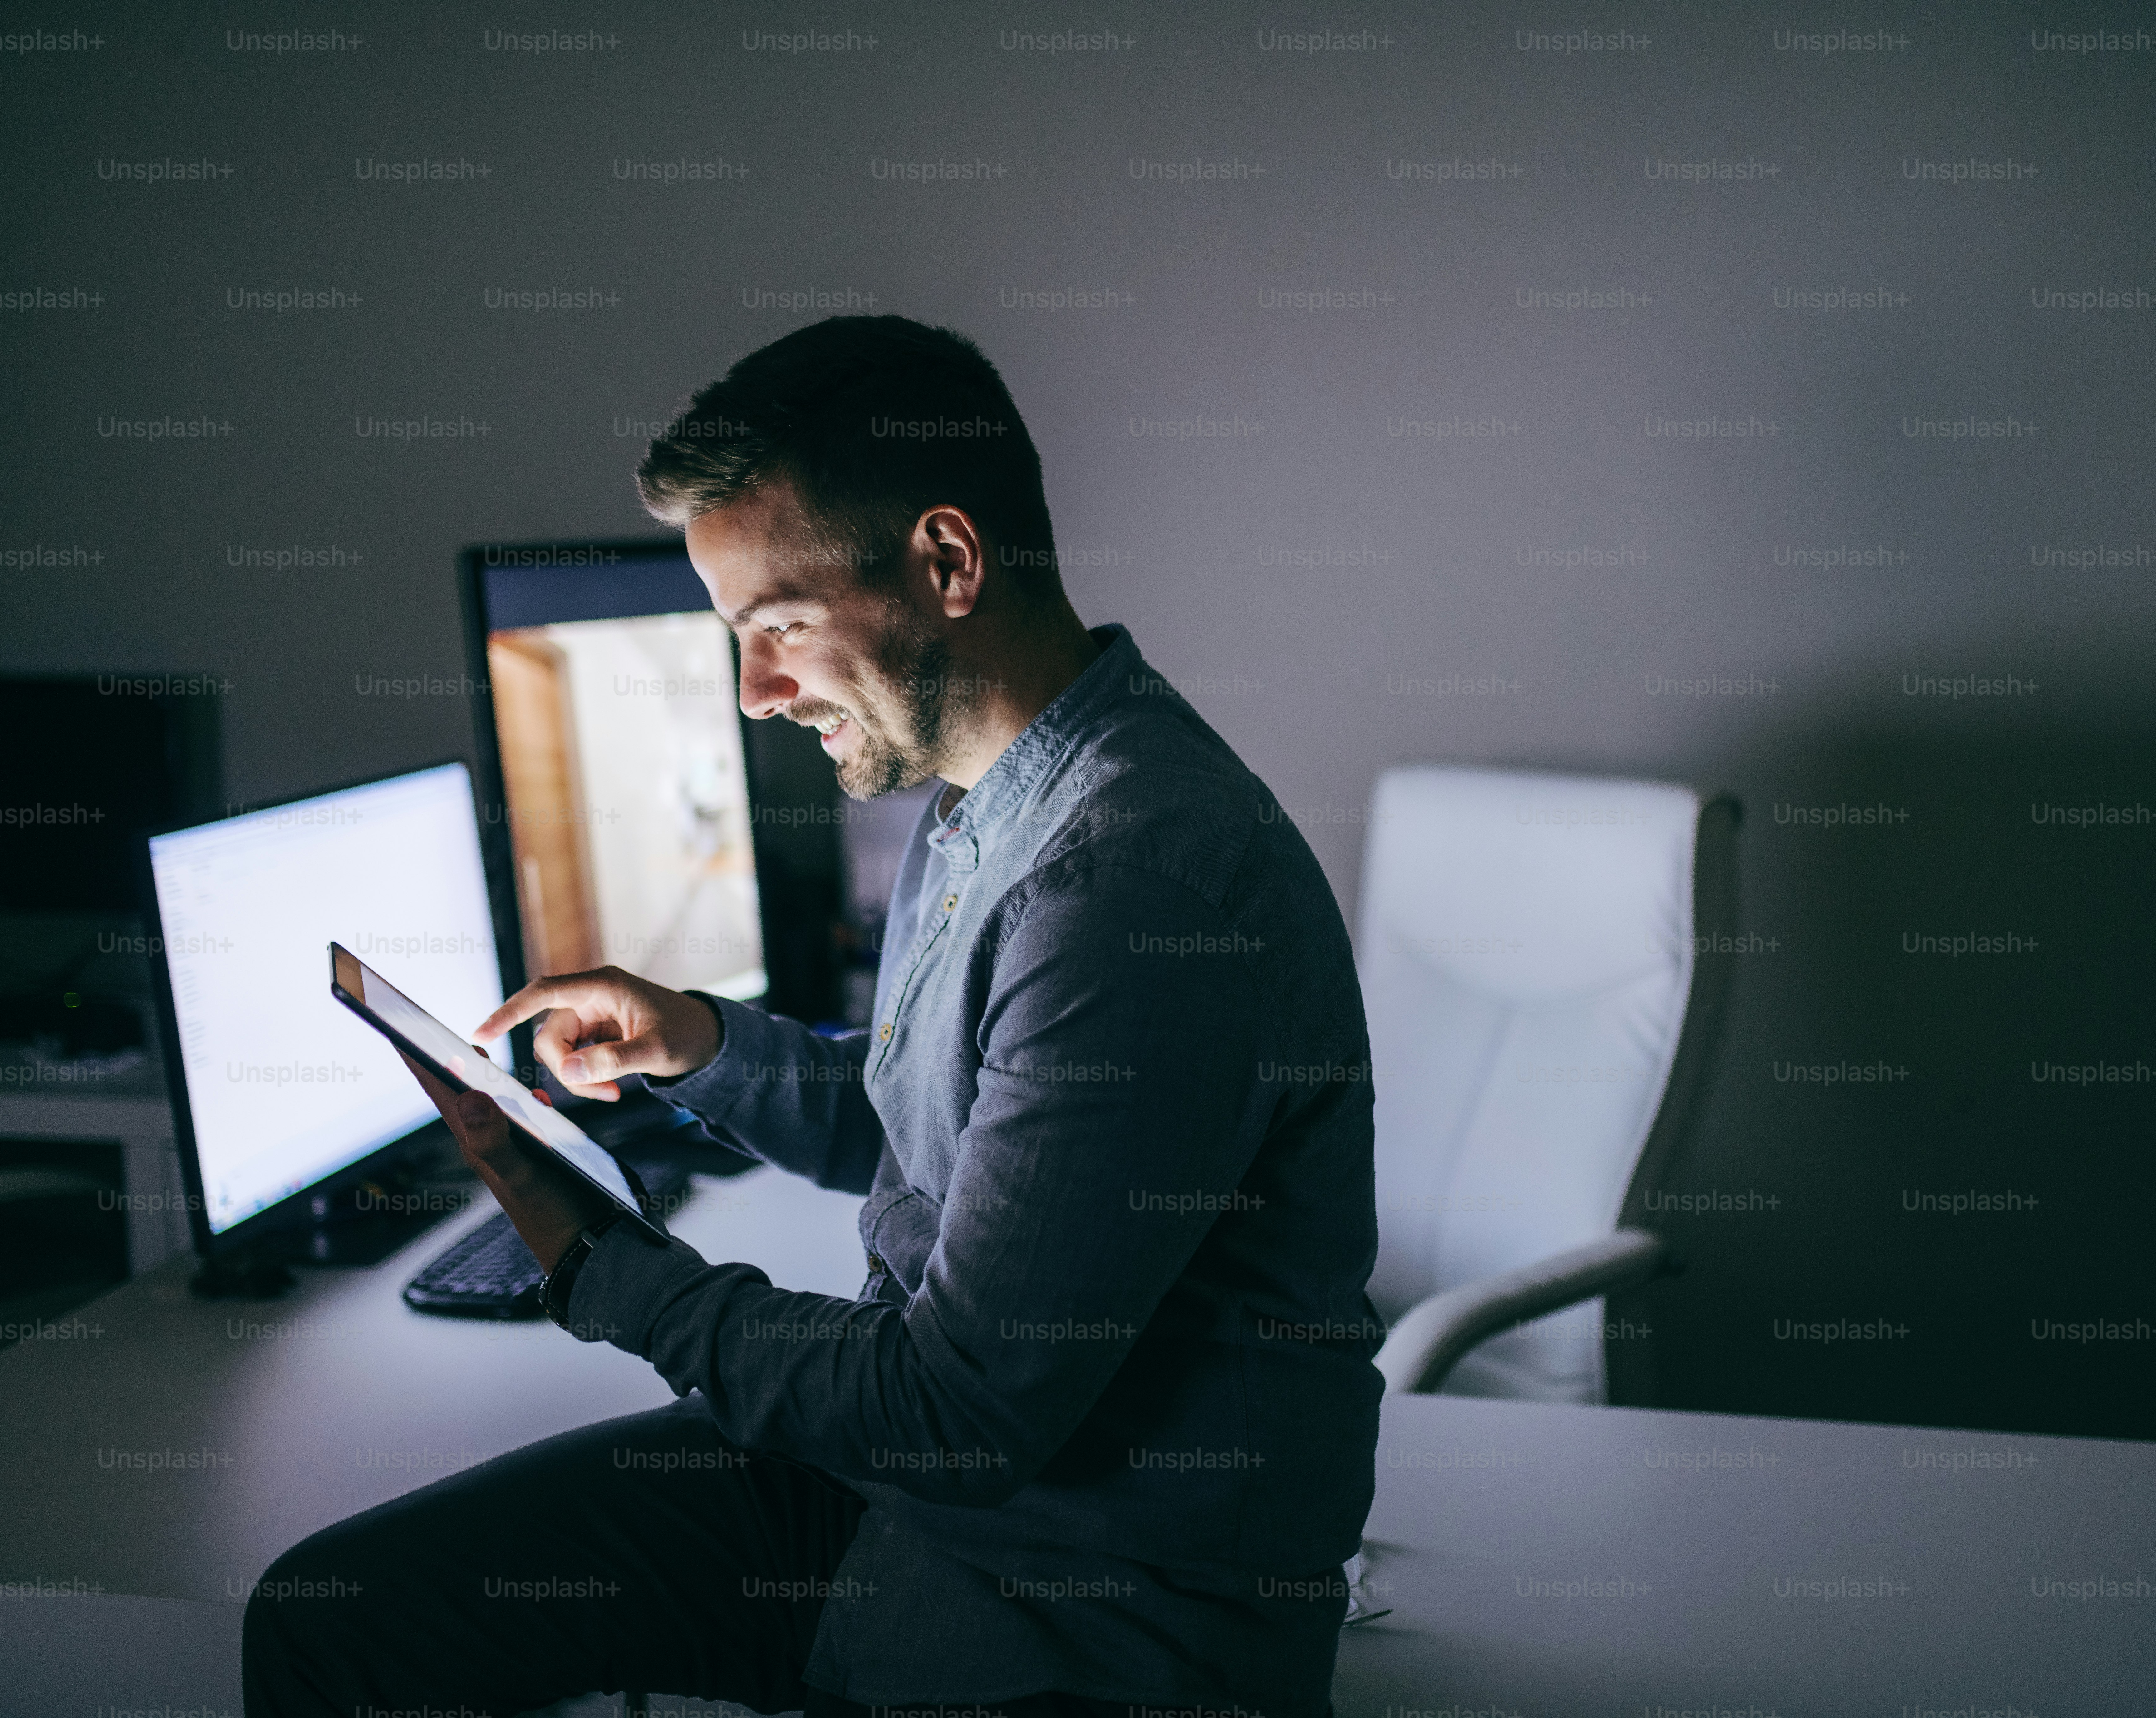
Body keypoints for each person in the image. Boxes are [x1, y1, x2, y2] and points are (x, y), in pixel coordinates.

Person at [243, 316, 1384, 1718]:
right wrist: (703, 1045)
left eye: (778, 627)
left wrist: (602, 1263)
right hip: (912, 1516)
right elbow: (945, 1138)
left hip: (1077, 1614)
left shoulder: (1133, 886)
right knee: (333, 1618)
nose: (756, 694)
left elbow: (957, 1414)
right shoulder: (996, 793)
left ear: (948, 563)